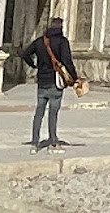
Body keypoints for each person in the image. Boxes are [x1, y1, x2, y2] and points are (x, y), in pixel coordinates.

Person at [22, 17, 82, 150]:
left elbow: (25, 54)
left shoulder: (39, 41)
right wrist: (75, 78)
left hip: (42, 81)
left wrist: (34, 65)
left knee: (39, 111)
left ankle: (35, 141)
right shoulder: (62, 42)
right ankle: (53, 139)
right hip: (56, 81)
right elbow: (67, 61)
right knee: (53, 112)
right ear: (60, 27)